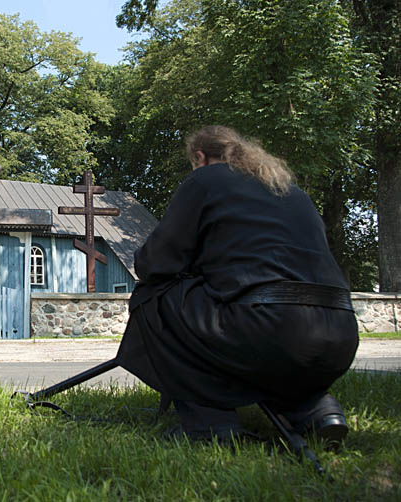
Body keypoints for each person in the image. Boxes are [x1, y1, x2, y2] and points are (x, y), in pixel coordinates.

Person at [118, 125, 359, 444]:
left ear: (199, 157)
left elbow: (156, 262)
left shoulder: (205, 179)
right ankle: (315, 411)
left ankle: (210, 421)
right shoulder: (288, 188)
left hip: (267, 327)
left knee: (152, 297)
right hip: (338, 336)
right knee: (268, 337)